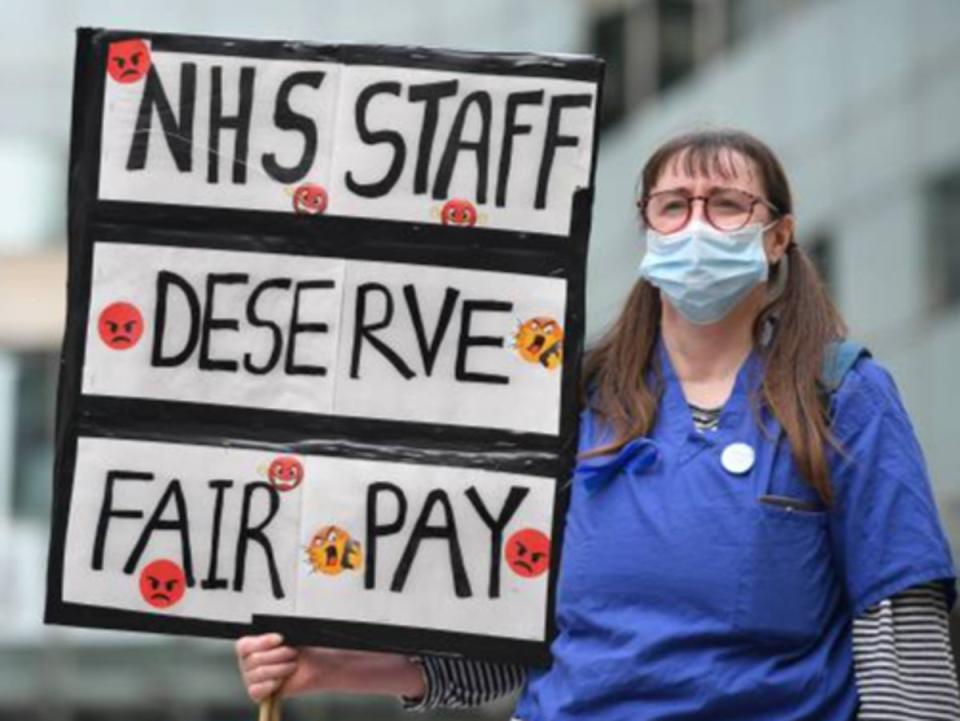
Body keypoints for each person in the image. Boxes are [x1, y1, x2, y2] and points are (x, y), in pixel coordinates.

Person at [236, 129, 960, 720]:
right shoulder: (565, 402)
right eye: (674, 204)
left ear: (778, 236)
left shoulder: (842, 394)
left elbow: (902, 630)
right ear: (647, 225)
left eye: (728, 204)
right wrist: (326, 666)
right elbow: (509, 642)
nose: (697, 224)